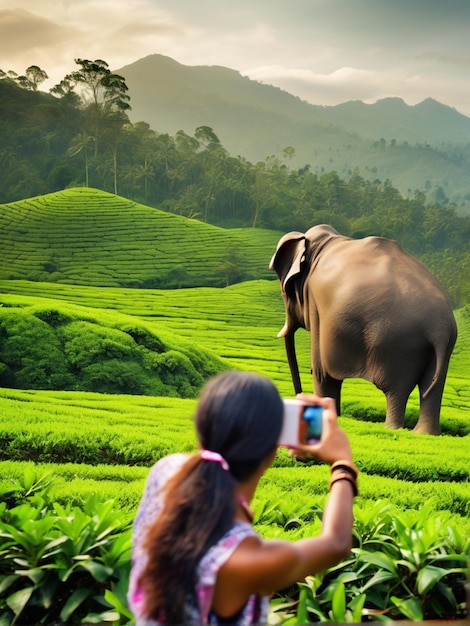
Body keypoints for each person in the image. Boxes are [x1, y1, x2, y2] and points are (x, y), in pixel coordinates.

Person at [128, 370, 358, 625]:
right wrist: (342, 462)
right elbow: (336, 544)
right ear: (274, 447)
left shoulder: (167, 471)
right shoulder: (242, 561)